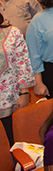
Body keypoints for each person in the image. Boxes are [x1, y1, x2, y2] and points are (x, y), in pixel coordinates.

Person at [0, 11, 34, 144]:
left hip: (9, 97)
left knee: (11, 139)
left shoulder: (13, 33)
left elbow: (23, 63)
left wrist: (24, 93)